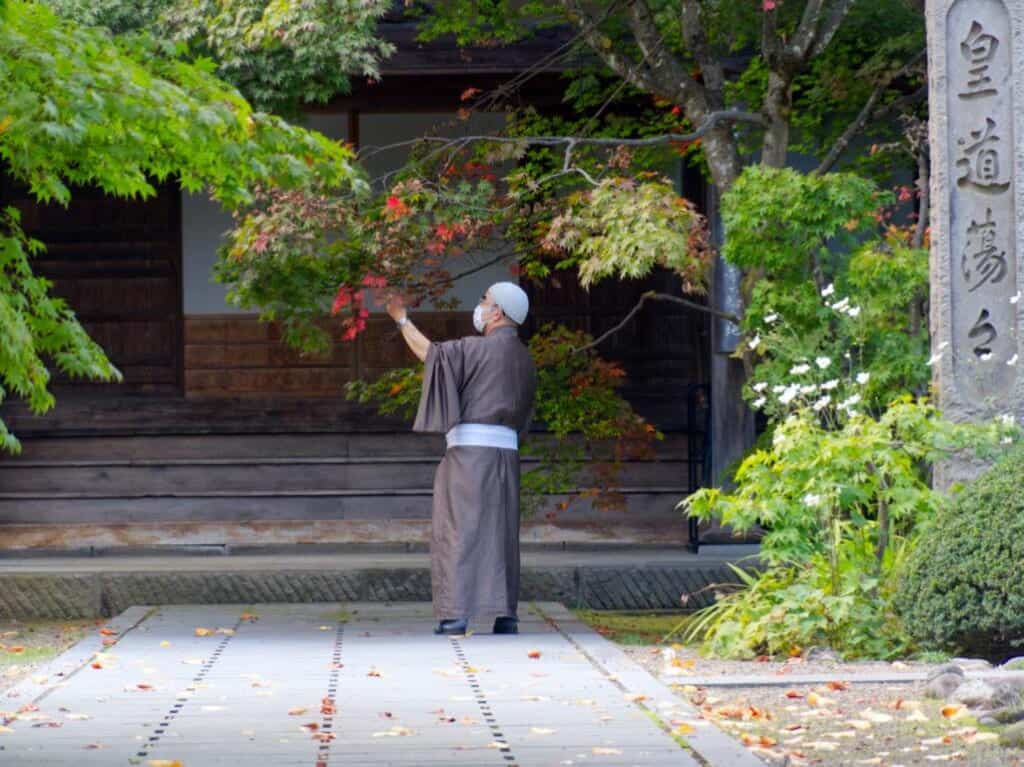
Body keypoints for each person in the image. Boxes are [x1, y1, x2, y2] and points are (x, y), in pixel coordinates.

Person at [385, 282, 537, 636]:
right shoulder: (526, 360)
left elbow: (430, 354)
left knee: (458, 528)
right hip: (506, 456)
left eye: (484, 300)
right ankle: (505, 614)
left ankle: (456, 615)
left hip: (470, 456)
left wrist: (402, 319)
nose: (480, 305)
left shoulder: (475, 349)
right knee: (501, 534)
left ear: (497, 312)